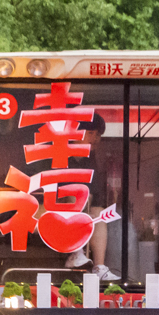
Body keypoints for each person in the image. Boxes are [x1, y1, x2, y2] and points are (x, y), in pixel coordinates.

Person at [65, 115, 121, 280]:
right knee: (79, 196)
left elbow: (95, 195)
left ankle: (99, 267)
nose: (95, 139)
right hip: (52, 209)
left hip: (80, 212)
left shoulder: (90, 160)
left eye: (98, 135)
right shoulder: (60, 153)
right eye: (91, 133)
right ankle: (76, 252)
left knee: (98, 212)